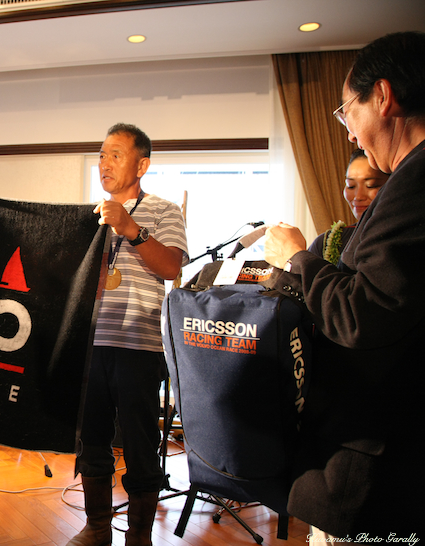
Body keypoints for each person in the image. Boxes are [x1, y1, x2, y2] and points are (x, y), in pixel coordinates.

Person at [263, 31, 425, 542]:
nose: (350, 134)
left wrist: (297, 258)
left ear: (383, 96)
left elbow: (363, 312)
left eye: (346, 112)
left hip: (379, 454)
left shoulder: (415, 182)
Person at [68, 123, 188, 546]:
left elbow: (171, 267)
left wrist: (131, 228)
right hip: (90, 344)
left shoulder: (164, 210)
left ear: (142, 165)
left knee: (140, 442)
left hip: (139, 344)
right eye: (101, 154)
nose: (104, 162)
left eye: (115, 154)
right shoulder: (88, 217)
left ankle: (139, 534)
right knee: (91, 439)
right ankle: (97, 527)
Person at [307, 149, 388, 263]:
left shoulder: (403, 239)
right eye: (351, 186)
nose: (358, 196)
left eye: (371, 185)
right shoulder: (325, 243)